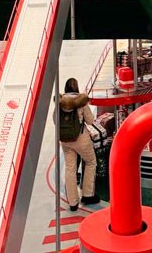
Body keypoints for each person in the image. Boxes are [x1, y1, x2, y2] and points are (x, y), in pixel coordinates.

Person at [57, 78, 100, 211]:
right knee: (91, 162)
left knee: (70, 168)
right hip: (81, 139)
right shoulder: (81, 102)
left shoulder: (59, 102)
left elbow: (55, 120)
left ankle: (73, 202)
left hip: (65, 140)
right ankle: (87, 194)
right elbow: (90, 120)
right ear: (76, 87)